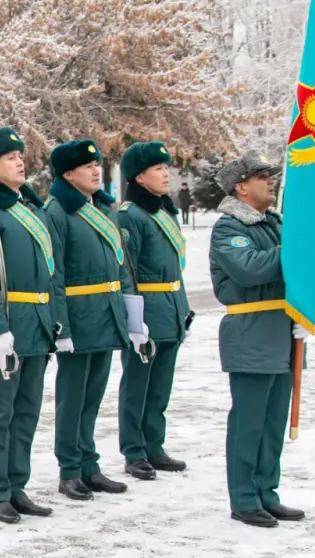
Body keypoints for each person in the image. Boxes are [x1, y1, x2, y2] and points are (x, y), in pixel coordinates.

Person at [43, 139, 146, 501]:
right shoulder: (57, 212)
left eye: (96, 165)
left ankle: (89, 465)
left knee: (93, 397)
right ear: (68, 174)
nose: (95, 171)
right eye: (86, 167)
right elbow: (54, 274)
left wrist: (132, 316)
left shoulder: (103, 208)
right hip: (78, 315)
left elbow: (121, 266)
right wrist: (61, 327)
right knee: (72, 398)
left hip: (107, 312)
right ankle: (70, 469)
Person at [209, 151, 307, 528]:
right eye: (262, 177)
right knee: (249, 423)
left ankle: (267, 492)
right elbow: (250, 269)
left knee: (272, 423)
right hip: (251, 332)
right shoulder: (229, 228)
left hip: (282, 331)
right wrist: (295, 248)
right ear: (241, 187)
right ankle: (244, 499)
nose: (271, 182)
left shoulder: (273, 224)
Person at [0, 127, 57, 524]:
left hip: (36, 321)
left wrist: (56, 322)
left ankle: (18, 484)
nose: (20, 162)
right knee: (0, 411)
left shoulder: (31, 208)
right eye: (10, 158)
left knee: (28, 411)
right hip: (7, 321)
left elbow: (51, 273)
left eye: (20, 156)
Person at [116, 141, 194, 480]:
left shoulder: (164, 212)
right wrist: (135, 319)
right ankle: (134, 451)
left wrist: (183, 308)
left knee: (160, 386)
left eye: (166, 168)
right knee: (137, 385)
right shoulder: (130, 215)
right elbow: (128, 271)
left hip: (170, 308)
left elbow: (174, 268)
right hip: (147, 310)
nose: (166, 174)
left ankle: (154, 444)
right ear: (139, 177)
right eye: (158, 169)